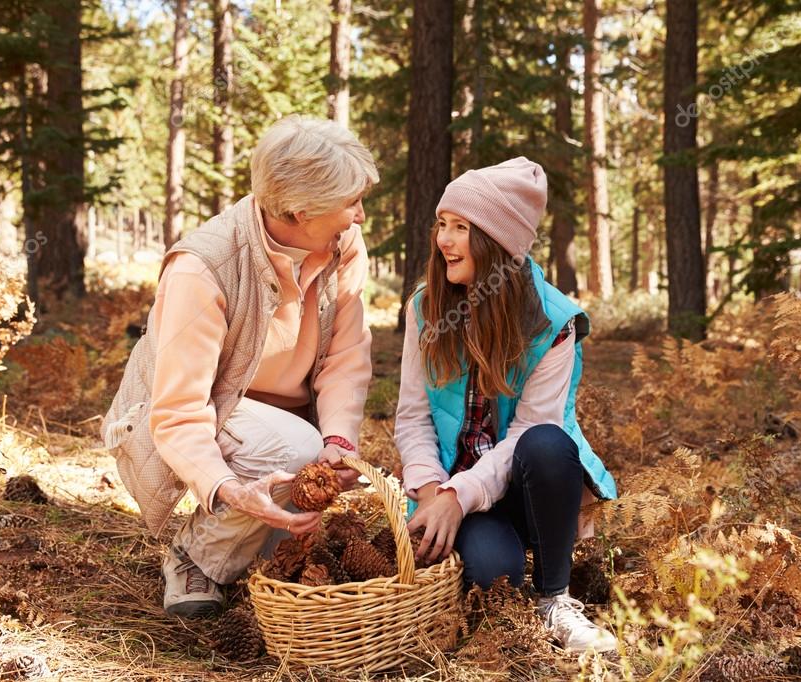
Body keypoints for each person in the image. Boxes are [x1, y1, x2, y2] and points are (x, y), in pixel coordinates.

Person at [101, 116, 377, 619]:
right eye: (350, 203)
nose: (359, 215)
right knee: (295, 449)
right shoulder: (202, 269)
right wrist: (232, 492)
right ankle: (195, 556)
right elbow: (181, 411)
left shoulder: (342, 246)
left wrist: (338, 440)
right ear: (299, 210)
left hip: (290, 422)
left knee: (296, 502)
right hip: (198, 415)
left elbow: (346, 355)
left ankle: (252, 539)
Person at [394, 157, 619, 651]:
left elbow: (526, 435)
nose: (444, 241)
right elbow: (413, 415)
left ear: (497, 244)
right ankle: (499, 556)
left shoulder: (552, 323)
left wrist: (459, 497)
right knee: (494, 574)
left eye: (460, 229)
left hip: (529, 488)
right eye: (442, 225)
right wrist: (433, 492)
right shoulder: (424, 308)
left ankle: (555, 599)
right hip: (454, 486)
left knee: (546, 442)